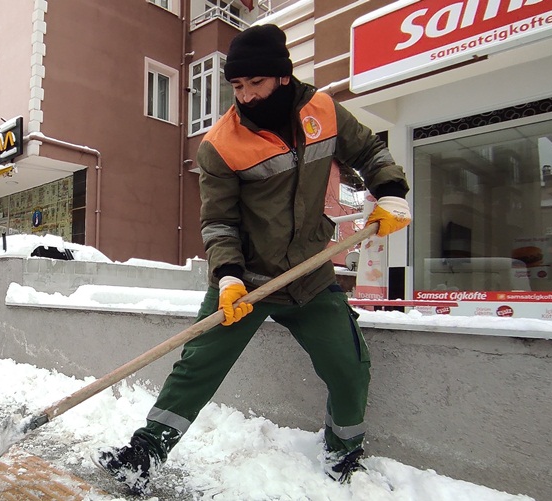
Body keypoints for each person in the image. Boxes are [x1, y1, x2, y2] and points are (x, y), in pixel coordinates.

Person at [94, 24, 412, 494]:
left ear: (283, 77)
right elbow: (218, 222)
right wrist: (226, 277)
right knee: (197, 366)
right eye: (237, 86)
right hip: (247, 278)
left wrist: (390, 192)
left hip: (310, 277)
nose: (244, 96)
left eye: (255, 84)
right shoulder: (220, 144)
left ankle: (342, 453)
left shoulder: (322, 111)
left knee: (349, 365)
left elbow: (368, 149)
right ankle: (144, 452)